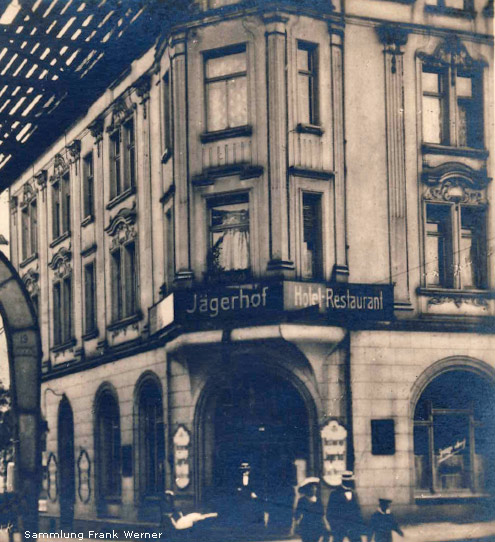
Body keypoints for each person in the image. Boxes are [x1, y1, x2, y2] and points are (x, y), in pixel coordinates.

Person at [325, 471, 366, 542]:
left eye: (351, 480)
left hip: (353, 528)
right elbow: (329, 513)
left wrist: (359, 526)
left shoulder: (354, 493)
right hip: (339, 529)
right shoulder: (334, 494)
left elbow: (358, 511)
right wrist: (335, 527)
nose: (351, 482)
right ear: (343, 481)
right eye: (349, 481)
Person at [293, 477, 327, 542]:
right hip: (306, 525)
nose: (314, 489)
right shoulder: (302, 500)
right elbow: (297, 513)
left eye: (315, 487)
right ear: (307, 489)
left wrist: (325, 525)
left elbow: (322, 514)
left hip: (317, 525)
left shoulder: (318, 500)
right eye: (312, 488)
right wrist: (296, 524)